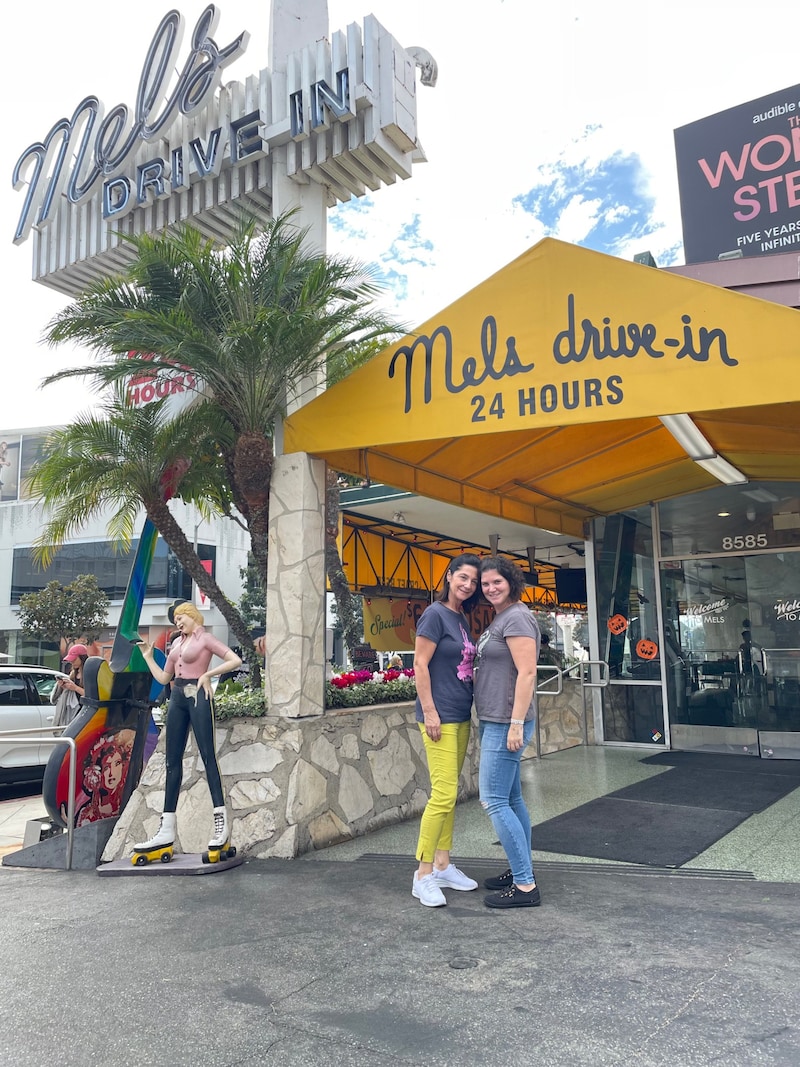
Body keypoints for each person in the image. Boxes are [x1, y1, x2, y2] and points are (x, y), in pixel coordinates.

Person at [134, 602, 242, 857]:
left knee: (208, 756)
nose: (178, 622)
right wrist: (149, 657)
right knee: (172, 762)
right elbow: (163, 678)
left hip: (199, 694)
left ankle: (221, 824)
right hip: (178, 698)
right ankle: (166, 828)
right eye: (176, 619)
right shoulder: (177, 645)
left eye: (181, 617)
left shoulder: (206, 639)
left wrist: (207, 675)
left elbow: (234, 660)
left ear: (192, 615)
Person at [411, 553, 482, 907]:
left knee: (450, 793)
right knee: (442, 794)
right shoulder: (435, 614)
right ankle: (422, 874)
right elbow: (419, 663)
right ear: (449, 575)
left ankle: (442, 864)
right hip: (439, 716)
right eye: (463, 577)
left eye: (473, 581)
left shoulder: (461, 617)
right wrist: (430, 711)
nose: (467, 585)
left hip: (460, 715)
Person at [473, 556, 541, 909]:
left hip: (505, 721)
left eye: (496, 581)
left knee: (493, 799)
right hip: (496, 718)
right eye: (485, 584)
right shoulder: (504, 617)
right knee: (512, 799)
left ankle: (526, 886)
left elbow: (527, 673)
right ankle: (520, 870)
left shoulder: (517, 617)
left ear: (511, 581)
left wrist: (515, 723)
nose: (490, 588)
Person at [51, 643, 88, 726]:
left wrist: (75, 688)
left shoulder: (89, 674)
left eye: (74, 660)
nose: (72, 662)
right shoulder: (73, 674)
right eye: (71, 660)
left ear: (82, 658)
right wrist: (64, 686)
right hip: (73, 714)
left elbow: (93, 696)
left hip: (85, 713)